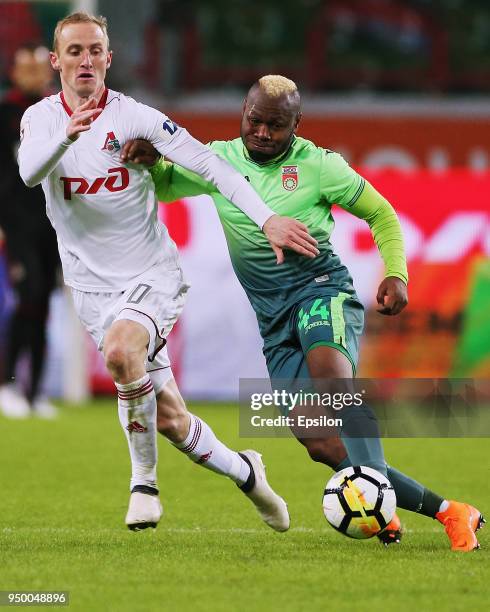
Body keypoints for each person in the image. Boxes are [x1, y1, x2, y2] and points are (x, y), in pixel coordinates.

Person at [125, 75, 485, 551]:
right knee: (318, 441)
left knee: (333, 382)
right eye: (255, 120)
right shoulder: (219, 161)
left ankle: (377, 503)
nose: (263, 133)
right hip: (272, 319)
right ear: (243, 113)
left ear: (296, 124)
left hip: (321, 291)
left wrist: (396, 273)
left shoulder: (319, 165)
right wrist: (151, 163)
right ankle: (449, 511)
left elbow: (381, 213)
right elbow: (168, 186)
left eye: (276, 125)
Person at [17, 13, 321, 532]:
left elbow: (211, 165)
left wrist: (266, 217)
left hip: (150, 275)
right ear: (56, 61)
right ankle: (248, 472)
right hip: (91, 288)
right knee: (172, 420)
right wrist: (67, 136)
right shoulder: (41, 120)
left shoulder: (135, 117)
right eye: (74, 51)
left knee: (120, 352)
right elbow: (29, 173)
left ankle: (144, 485)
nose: (85, 60)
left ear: (108, 59)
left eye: (95, 50)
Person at [0, 44, 60, 419]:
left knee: (43, 303)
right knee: (27, 295)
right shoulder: (5, 112)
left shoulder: (57, 112)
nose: (33, 74)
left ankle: (34, 390)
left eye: (39, 67)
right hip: (15, 220)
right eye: (26, 67)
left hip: (51, 221)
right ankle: (7, 383)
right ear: (15, 71)